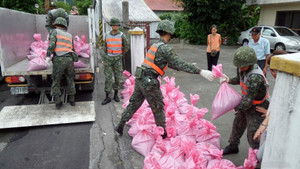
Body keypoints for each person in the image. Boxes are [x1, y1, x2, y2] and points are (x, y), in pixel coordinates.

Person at [114, 20, 215, 138]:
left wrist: (189, 66)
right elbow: (179, 63)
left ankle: (120, 125)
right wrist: (200, 71)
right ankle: (163, 135)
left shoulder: (155, 45)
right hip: (150, 81)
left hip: (140, 78)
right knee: (158, 108)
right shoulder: (165, 49)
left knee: (133, 104)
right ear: (169, 33)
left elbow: (169, 63)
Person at [220, 46, 269, 155]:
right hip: (246, 101)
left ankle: (256, 155)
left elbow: (248, 102)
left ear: (250, 63)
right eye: (239, 66)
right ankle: (233, 145)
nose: (240, 68)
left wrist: (233, 107)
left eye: (243, 66)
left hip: (258, 106)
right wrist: (228, 80)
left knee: (253, 132)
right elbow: (239, 79)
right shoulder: (241, 67)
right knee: (237, 124)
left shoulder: (255, 77)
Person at [253, 50, 287, 162]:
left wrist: (264, 123)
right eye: (270, 69)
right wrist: (268, 112)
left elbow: (283, 108)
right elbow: (277, 105)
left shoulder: (289, 87)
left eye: (274, 70)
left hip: (279, 129)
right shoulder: (280, 83)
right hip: (270, 125)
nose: (272, 73)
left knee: (261, 156)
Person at [46, 17, 78, 109]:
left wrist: (48, 56)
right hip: (69, 60)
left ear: (56, 24)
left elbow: (52, 45)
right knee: (70, 79)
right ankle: (72, 99)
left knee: (56, 80)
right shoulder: (69, 35)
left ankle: (58, 101)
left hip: (59, 60)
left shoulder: (54, 32)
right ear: (64, 25)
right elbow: (73, 49)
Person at [101, 17, 129, 105]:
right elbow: (104, 48)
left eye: (117, 25)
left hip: (117, 59)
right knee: (108, 78)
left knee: (117, 78)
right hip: (108, 59)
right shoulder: (106, 35)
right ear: (111, 26)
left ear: (118, 26)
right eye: (114, 25)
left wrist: (120, 54)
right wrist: (104, 59)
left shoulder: (122, 35)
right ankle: (107, 97)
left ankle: (116, 95)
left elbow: (126, 47)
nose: (115, 27)